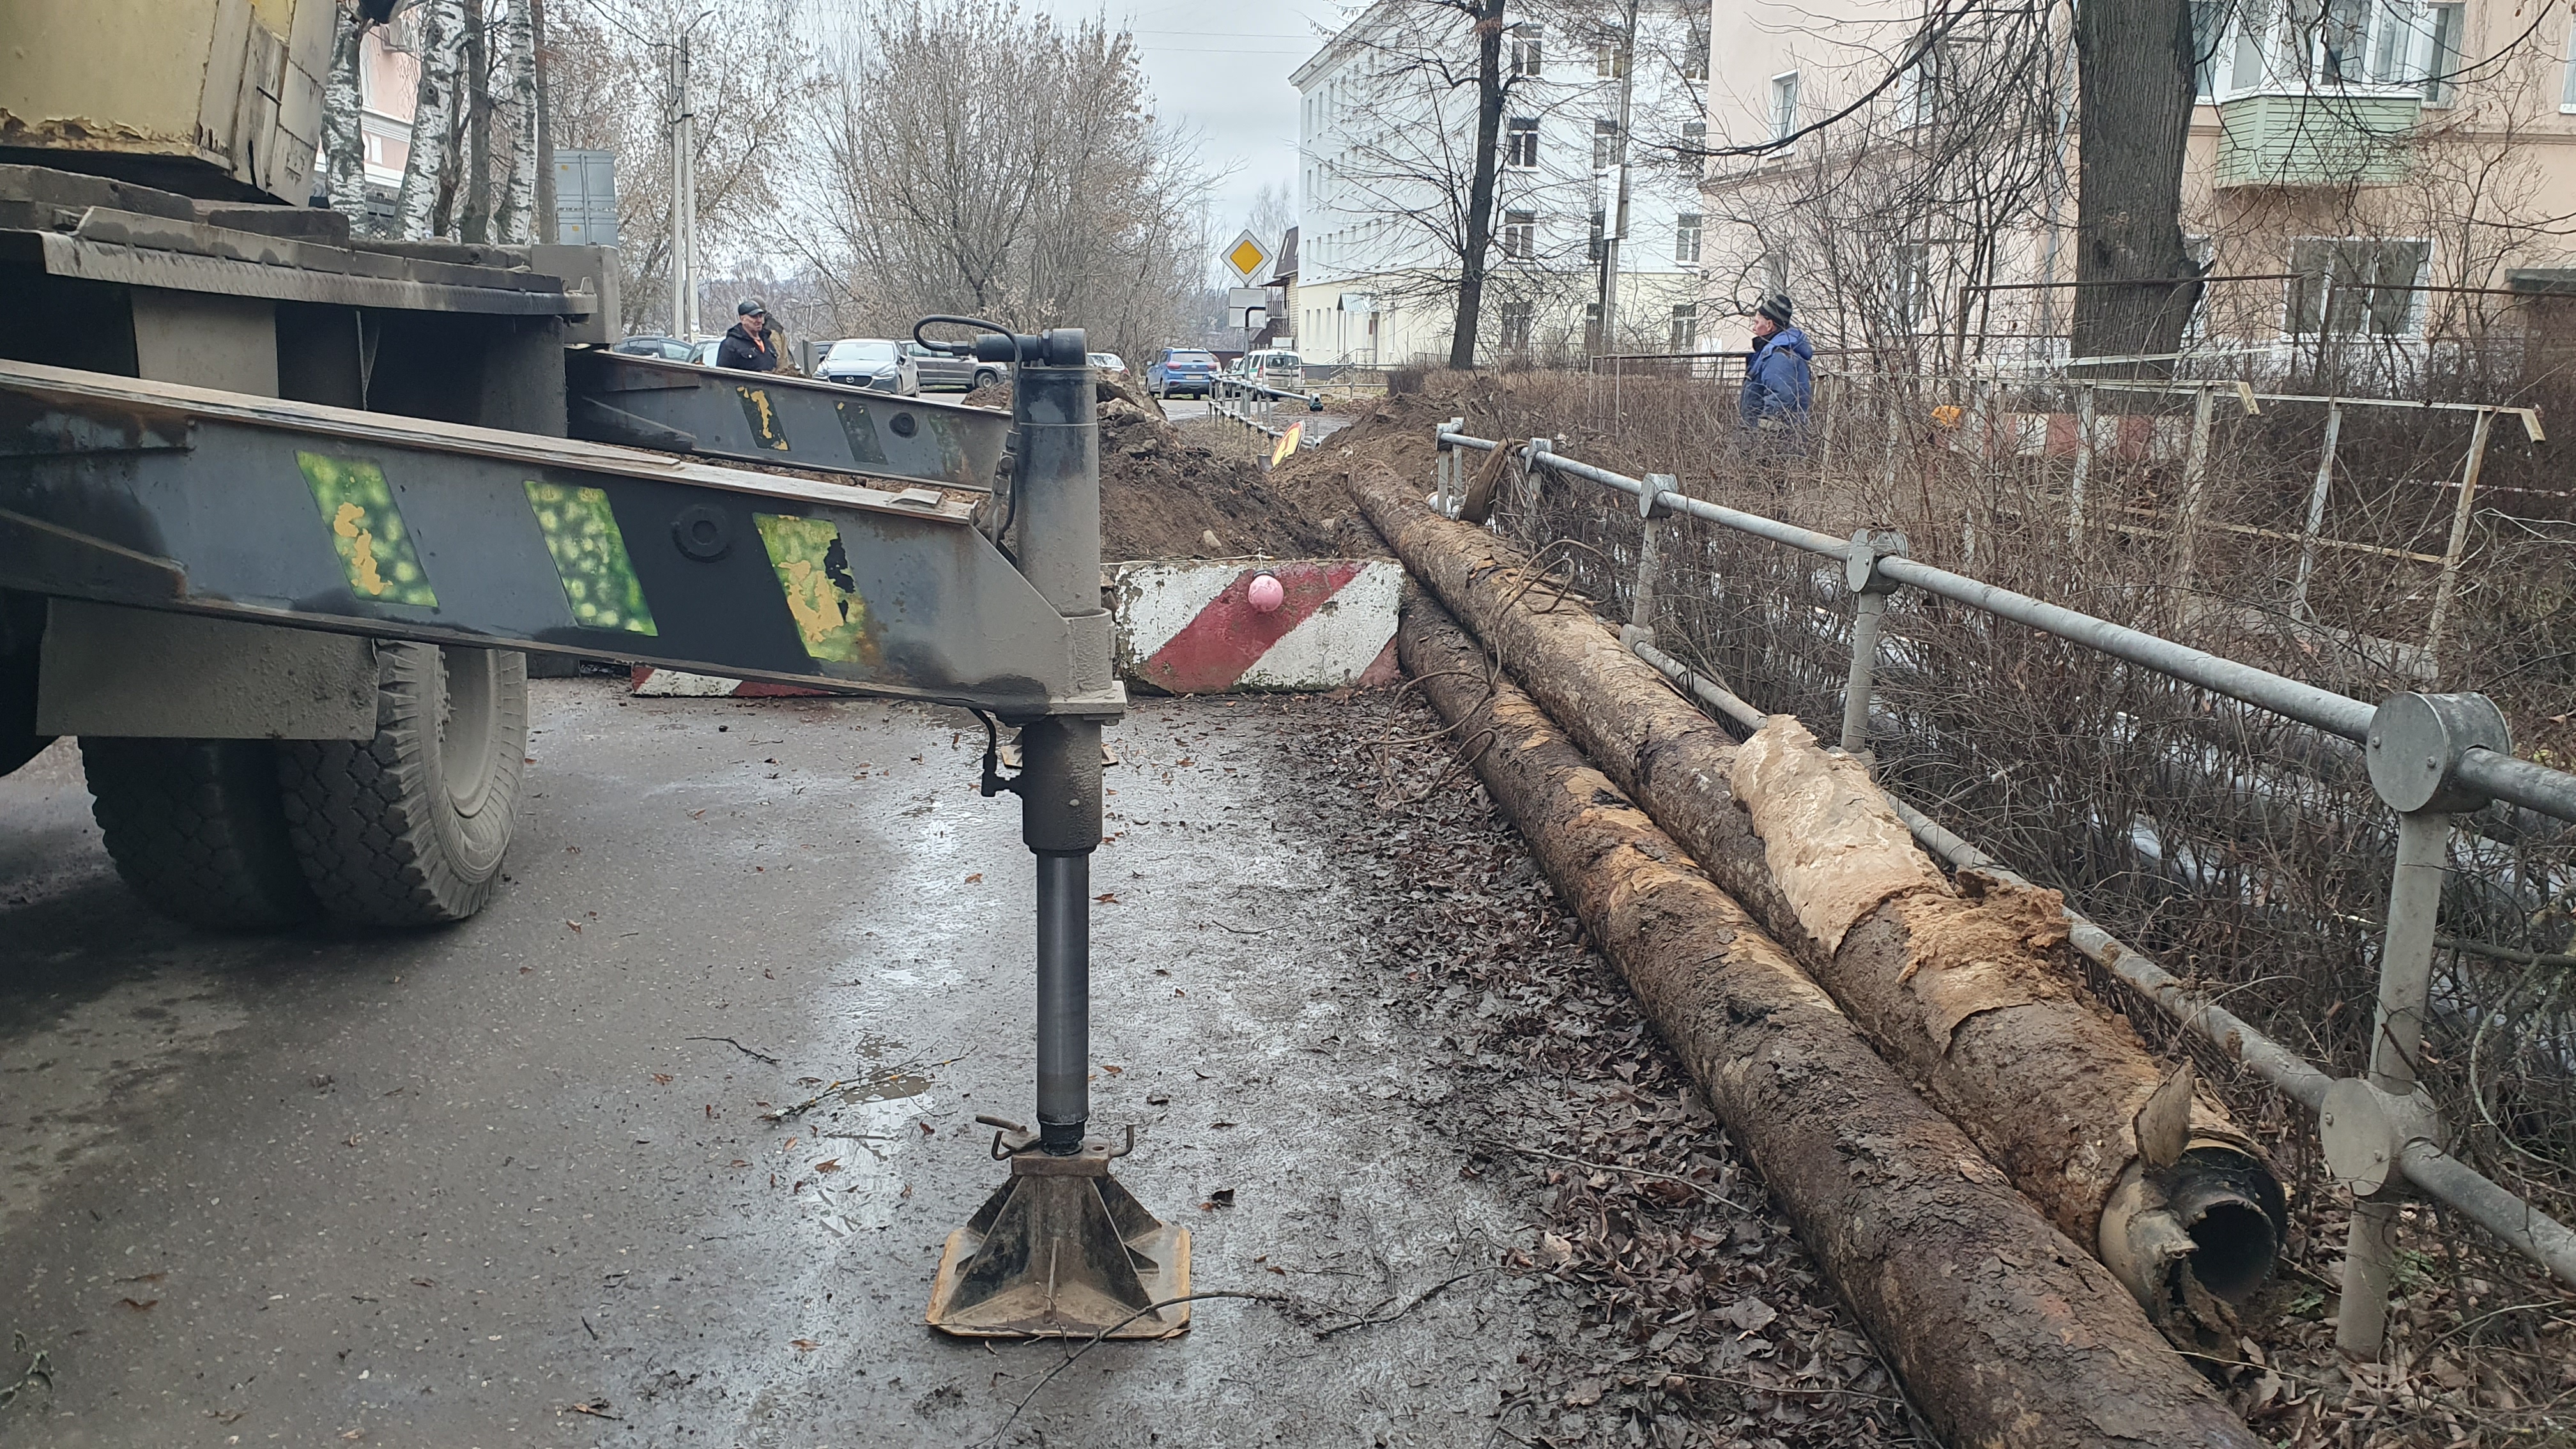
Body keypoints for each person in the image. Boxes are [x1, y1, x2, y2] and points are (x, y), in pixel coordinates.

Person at [1738, 293, 1813, 438]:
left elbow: (1780, 398)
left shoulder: (1778, 355)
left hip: (1776, 442)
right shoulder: (1780, 349)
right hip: (1782, 438)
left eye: (1756, 323)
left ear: (1770, 325)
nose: (1754, 329)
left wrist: (1763, 438)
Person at [716, 298, 780, 372]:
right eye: (754, 317)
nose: (759, 321)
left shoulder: (768, 343)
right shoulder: (730, 345)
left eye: (760, 316)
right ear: (742, 319)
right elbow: (722, 378)